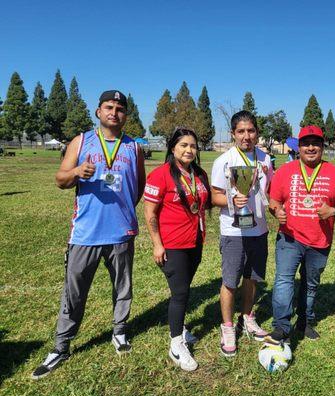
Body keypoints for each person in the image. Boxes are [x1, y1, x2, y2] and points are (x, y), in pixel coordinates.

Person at [32, 90, 146, 380]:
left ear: (125, 115)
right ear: (98, 111)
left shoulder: (133, 148)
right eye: (109, 107)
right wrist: (77, 172)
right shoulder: (81, 141)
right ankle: (62, 345)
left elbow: (139, 186)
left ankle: (119, 332)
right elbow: (60, 179)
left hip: (121, 232)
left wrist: (123, 212)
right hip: (85, 234)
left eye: (120, 109)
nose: (114, 112)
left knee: (123, 288)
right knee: (74, 293)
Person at [266, 126, 335, 343]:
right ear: (299, 147)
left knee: (310, 284)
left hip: (319, 241)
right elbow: (273, 200)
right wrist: (277, 211)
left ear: (323, 147)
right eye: (306, 143)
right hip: (289, 237)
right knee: (283, 280)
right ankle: (281, 326)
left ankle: (305, 322)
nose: (311, 147)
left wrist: (334, 211)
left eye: (316, 143)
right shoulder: (285, 171)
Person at [143, 127, 211, 371]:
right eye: (183, 145)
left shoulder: (200, 174)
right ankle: (176, 343)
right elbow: (150, 212)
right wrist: (157, 244)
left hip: (195, 241)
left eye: (193, 145)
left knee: (184, 289)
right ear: (173, 148)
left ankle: (179, 327)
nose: (189, 150)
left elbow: (208, 202)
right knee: (180, 293)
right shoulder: (160, 175)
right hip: (172, 244)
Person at [211, 110, 273, 356]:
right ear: (233, 134)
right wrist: (230, 201)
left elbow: (268, 191)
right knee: (230, 281)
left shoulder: (266, 160)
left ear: (257, 132)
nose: (246, 136)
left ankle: (247, 317)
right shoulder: (223, 161)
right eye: (241, 131)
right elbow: (214, 195)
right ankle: (227, 326)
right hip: (233, 231)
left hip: (258, 229)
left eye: (250, 131)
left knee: (252, 278)